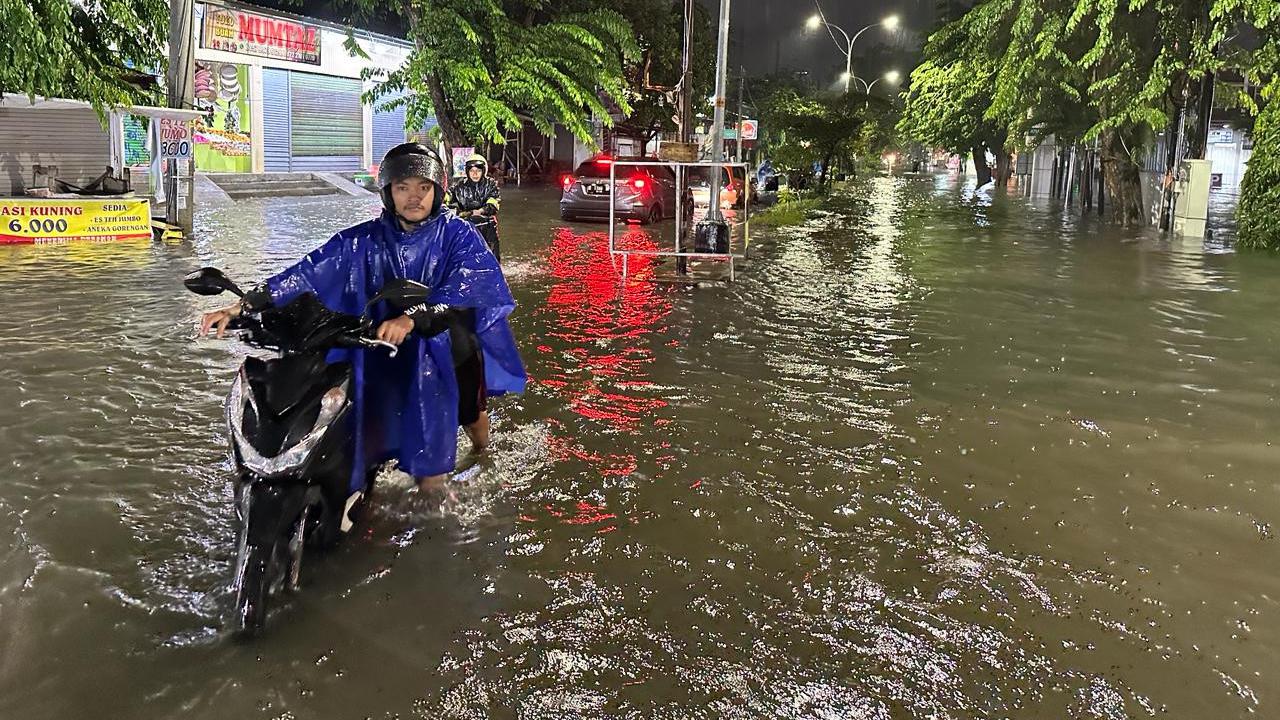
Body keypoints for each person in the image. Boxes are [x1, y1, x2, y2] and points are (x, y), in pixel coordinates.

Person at [200, 142, 526, 495]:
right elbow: (309, 271)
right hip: (381, 345)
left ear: (437, 191)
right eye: (402, 187)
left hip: (448, 345)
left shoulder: (458, 233)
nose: (414, 197)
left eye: (423, 187)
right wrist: (245, 304)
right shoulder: (363, 239)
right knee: (369, 421)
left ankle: (480, 454)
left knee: (466, 419)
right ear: (388, 193)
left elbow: (467, 286)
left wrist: (413, 317)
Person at [445, 153, 502, 263]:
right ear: (467, 171)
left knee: (491, 260)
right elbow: (448, 196)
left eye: (478, 171)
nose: (475, 174)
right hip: (466, 227)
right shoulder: (460, 186)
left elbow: (493, 204)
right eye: (472, 171)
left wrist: (479, 211)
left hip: (487, 227)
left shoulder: (490, 184)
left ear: (483, 171)